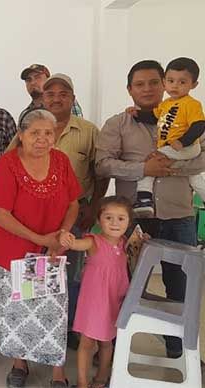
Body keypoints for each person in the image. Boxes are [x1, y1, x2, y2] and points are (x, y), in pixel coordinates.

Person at [96, 59, 205, 358]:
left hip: (178, 216)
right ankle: (113, 351)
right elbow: (103, 164)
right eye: (139, 84)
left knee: (180, 287)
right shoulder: (118, 123)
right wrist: (143, 168)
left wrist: (167, 168)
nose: (147, 89)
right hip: (130, 219)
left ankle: (180, 352)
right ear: (129, 89)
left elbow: (202, 158)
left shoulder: (189, 117)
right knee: (121, 285)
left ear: (166, 84)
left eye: (153, 82)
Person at [0, 108, 80, 388]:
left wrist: (60, 236)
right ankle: (19, 364)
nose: (42, 139)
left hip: (51, 253)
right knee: (19, 313)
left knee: (53, 312)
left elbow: (73, 203)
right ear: (22, 135)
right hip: (13, 254)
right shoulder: (8, 164)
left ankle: (57, 372)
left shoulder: (61, 162)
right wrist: (41, 239)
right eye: (35, 132)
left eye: (48, 133)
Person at [40, 73, 109, 349]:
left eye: (63, 93)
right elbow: (13, 161)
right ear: (42, 99)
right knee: (39, 270)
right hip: (38, 217)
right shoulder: (32, 127)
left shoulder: (89, 130)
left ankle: (68, 326)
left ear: (73, 97)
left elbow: (101, 172)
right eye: (50, 94)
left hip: (77, 215)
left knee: (71, 274)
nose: (56, 98)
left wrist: (94, 206)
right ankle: (42, 322)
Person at [59, 196, 135, 388]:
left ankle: (101, 378)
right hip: (93, 302)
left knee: (107, 342)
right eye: (108, 217)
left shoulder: (125, 243)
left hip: (114, 301)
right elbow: (77, 244)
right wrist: (68, 239)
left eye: (121, 218)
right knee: (86, 342)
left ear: (129, 222)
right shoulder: (94, 241)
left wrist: (143, 243)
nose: (114, 223)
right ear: (99, 220)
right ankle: (83, 382)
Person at [130, 57, 205, 217]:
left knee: (151, 162)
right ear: (165, 82)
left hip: (187, 146)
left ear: (194, 85)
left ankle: (144, 199)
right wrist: (137, 115)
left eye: (182, 82)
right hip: (178, 148)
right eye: (171, 81)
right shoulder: (166, 104)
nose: (175, 86)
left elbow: (199, 125)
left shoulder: (191, 104)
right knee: (194, 177)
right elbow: (153, 118)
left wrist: (182, 142)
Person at [19, 64, 84, 122]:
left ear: (48, 80)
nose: (33, 82)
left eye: (38, 77)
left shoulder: (65, 103)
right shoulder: (25, 114)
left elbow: (79, 129)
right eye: (28, 80)